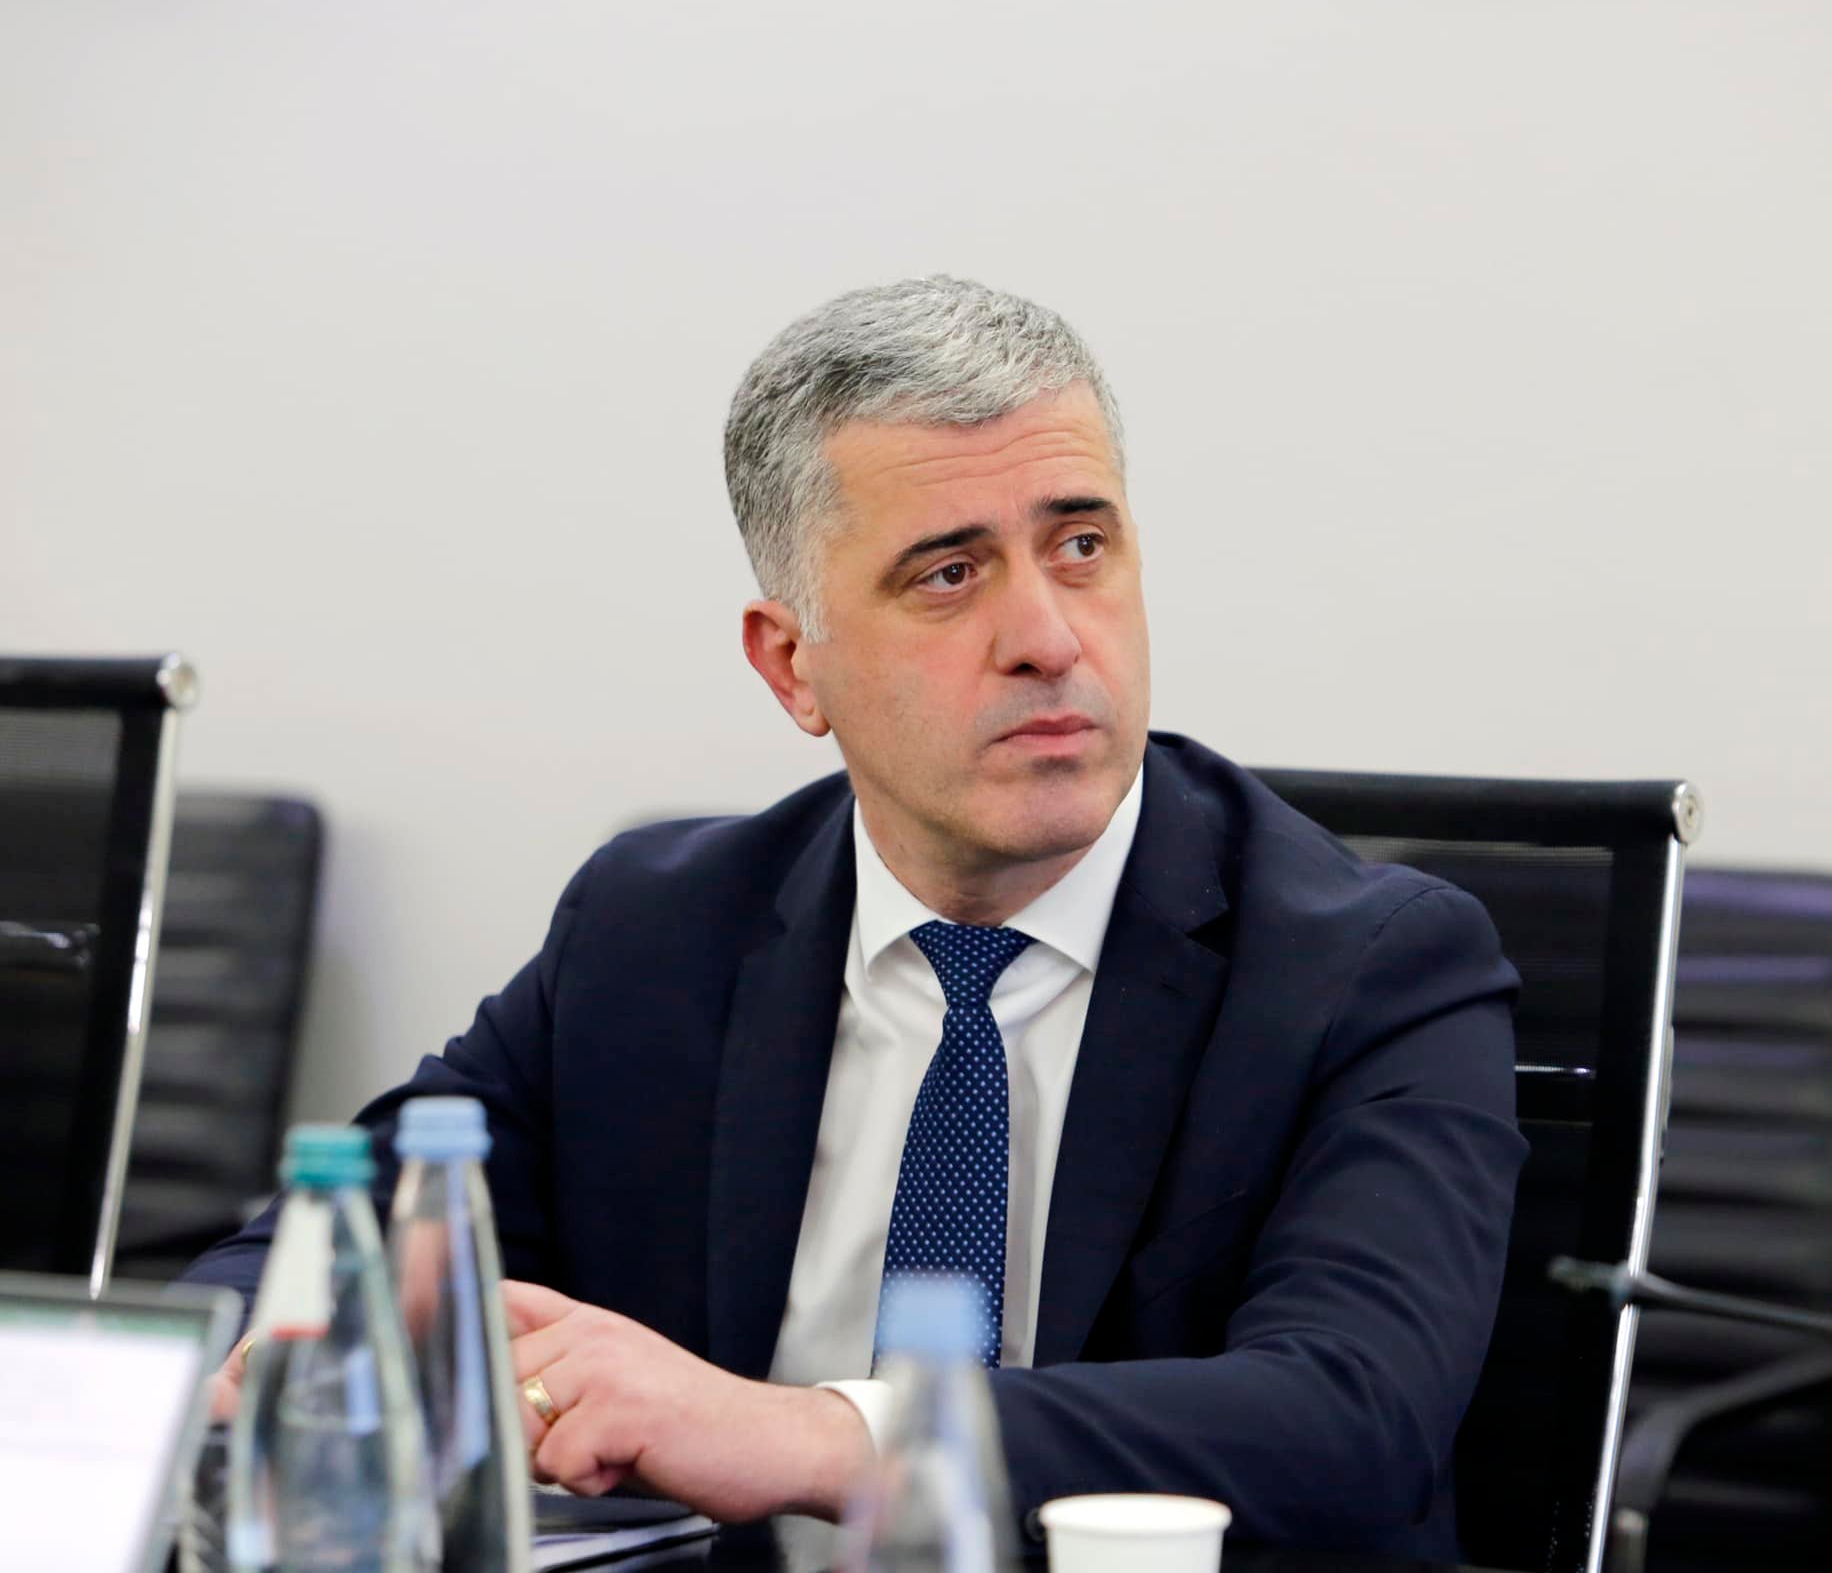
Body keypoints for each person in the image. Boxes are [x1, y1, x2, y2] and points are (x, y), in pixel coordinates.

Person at [187, 276, 1525, 1556]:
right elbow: (319, 1250)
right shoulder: (656, 932)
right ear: (792, 665)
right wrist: (273, 1352)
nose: (1049, 637)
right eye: (949, 574)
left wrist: (811, 1436)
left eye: (1081, 546)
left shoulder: (1368, 965)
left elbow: (1355, 1417)